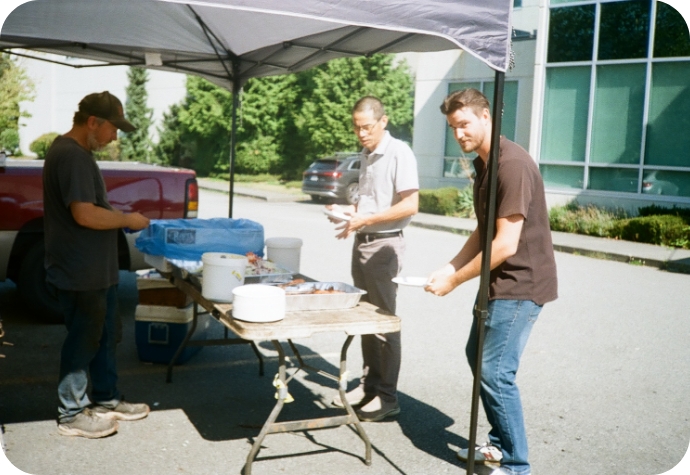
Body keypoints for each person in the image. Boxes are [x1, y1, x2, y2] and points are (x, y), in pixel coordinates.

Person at [425, 88, 558, 475]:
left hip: (521, 283)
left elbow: (504, 244)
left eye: (464, 124)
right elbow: (484, 232)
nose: (459, 134)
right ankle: (499, 447)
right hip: (498, 282)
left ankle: (516, 465)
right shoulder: (485, 164)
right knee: (478, 356)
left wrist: (455, 282)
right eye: (453, 127)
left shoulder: (511, 165)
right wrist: (451, 266)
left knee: (494, 371)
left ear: (487, 117)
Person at [43, 91, 152, 439]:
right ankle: (71, 413)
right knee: (83, 340)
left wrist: (118, 215)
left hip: (95, 269)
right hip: (80, 270)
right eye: (113, 129)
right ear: (93, 122)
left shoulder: (78, 154)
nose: (115, 137)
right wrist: (127, 219)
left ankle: (105, 398)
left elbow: (88, 207)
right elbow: (84, 213)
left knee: (104, 336)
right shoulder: (72, 156)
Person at [326, 96, 419, 422]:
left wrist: (362, 221)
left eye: (366, 127)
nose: (361, 134)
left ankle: (387, 397)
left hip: (384, 247)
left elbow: (410, 205)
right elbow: (370, 206)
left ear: (384, 121)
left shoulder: (399, 153)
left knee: (384, 323)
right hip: (363, 242)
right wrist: (346, 215)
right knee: (365, 319)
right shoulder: (367, 155)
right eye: (356, 128)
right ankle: (369, 386)